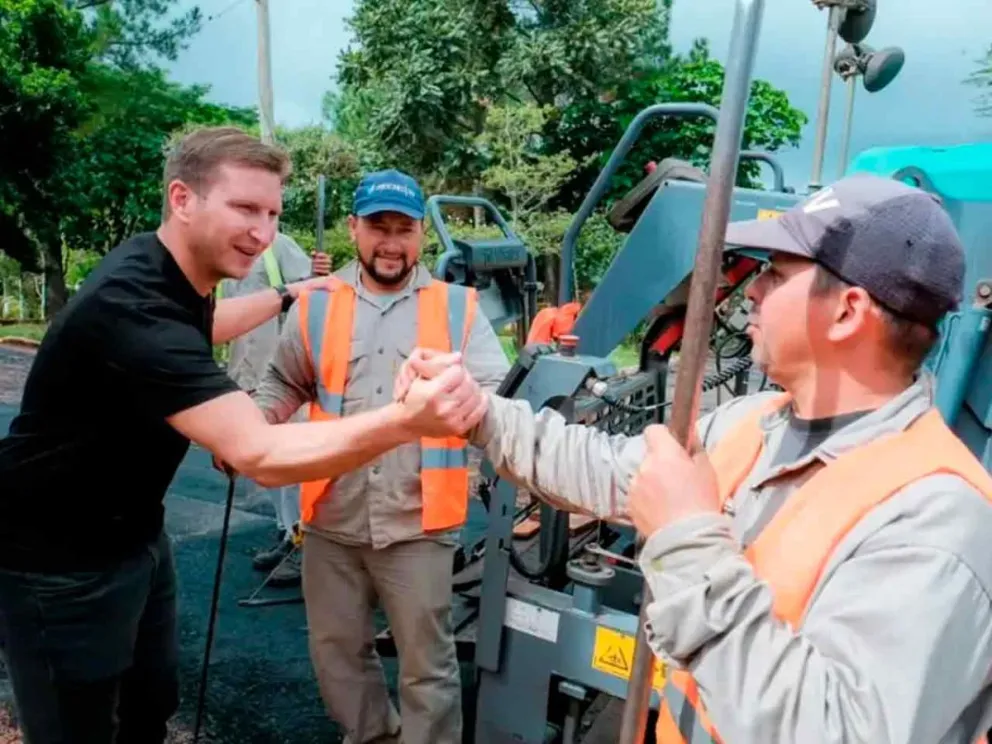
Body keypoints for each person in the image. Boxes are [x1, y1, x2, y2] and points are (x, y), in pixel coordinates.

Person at [397, 174, 992, 743]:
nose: (753, 290)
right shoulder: (752, 422)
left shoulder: (935, 520)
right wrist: (476, 412)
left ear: (847, 312)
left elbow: (831, 730)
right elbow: (605, 468)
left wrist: (686, 537)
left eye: (778, 275)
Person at [0, 127, 488, 744]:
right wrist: (405, 420)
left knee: (149, 706)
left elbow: (206, 322)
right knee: (82, 727)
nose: (262, 231)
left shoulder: (168, 276)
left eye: (272, 213)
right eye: (244, 208)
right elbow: (257, 449)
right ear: (182, 199)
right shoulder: (134, 303)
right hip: (59, 558)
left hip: (139, 535)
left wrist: (286, 294)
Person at [253, 168, 510, 744]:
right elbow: (282, 382)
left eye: (404, 229)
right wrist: (254, 424)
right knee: (337, 654)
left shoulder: (458, 309)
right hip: (331, 518)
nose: (390, 243)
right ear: (354, 229)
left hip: (419, 523)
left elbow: (497, 396)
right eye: (377, 227)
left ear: (422, 235)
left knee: (428, 669)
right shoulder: (317, 303)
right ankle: (372, 738)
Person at [217, 231, 332, 587]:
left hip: (281, 377)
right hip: (243, 373)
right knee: (263, 463)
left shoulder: (279, 247)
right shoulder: (224, 253)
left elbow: (314, 288)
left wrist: (318, 271)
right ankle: (286, 531)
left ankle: (302, 538)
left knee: (291, 465)